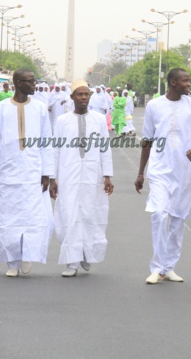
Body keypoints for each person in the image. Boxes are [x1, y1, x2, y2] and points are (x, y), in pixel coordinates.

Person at [0, 69, 54, 277]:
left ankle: (28, 254)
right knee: (8, 218)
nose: (34, 85)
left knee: (32, 216)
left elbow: (47, 142)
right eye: (30, 82)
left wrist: (47, 172)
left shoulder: (39, 108)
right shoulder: (2, 109)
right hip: (9, 172)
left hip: (33, 172)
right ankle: (12, 262)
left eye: (34, 81)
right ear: (18, 83)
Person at [135, 68, 191, 284]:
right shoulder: (154, 106)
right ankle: (156, 267)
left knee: (177, 218)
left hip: (183, 171)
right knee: (159, 214)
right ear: (173, 83)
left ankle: (169, 267)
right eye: (185, 81)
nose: (189, 84)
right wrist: (141, 172)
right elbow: (147, 139)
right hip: (159, 170)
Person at [50, 81, 114, 277]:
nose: (84, 98)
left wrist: (107, 175)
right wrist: (52, 178)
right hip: (68, 174)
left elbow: (105, 149)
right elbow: (55, 150)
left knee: (89, 214)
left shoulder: (99, 119)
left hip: (92, 175)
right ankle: (71, 261)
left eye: (87, 94)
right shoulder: (62, 121)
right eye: (80, 94)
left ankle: (86, 252)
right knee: (69, 215)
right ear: (72, 97)